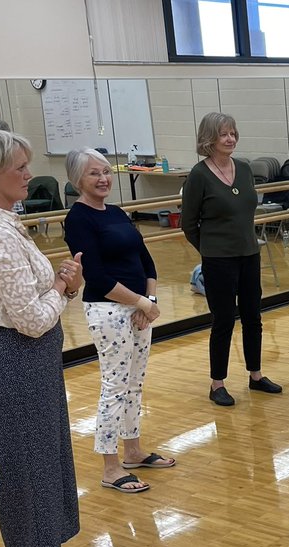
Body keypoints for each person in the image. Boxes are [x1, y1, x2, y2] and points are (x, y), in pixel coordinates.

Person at [0, 127, 105, 547]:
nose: (28, 174)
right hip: (10, 361)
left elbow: (34, 303)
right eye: (19, 167)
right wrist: (62, 289)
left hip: (29, 361)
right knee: (21, 467)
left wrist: (64, 282)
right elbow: (33, 320)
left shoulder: (4, 219)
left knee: (49, 457)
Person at [63, 148, 175, 494]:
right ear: (77, 179)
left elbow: (147, 261)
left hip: (140, 308)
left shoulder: (116, 212)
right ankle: (110, 468)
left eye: (106, 172)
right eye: (94, 173)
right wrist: (140, 301)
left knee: (135, 384)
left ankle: (133, 451)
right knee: (114, 386)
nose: (103, 179)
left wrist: (149, 300)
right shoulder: (79, 218)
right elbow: (94, 276)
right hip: (108, 310)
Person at [181, 112, 281, 405]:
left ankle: (256, 375)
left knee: (253, 317)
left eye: (233, 133)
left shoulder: (245, 169)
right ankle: (217, 384)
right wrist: (211, 249)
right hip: (218, 260)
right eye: (223, 134)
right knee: (223, 320)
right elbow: (189, 224)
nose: (230, 139)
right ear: (209, 139)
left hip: (249, 253)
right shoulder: (199, 175)